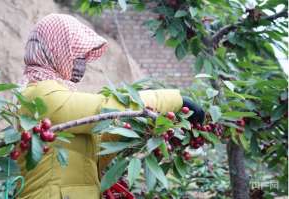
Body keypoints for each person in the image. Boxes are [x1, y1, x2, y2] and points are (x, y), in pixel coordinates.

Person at [17, 14, 204, 199]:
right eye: (77, 54)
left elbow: (98, 141)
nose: (83, 64)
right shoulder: (40, 96)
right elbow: (104, 110)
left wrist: (145, 126)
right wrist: (175, 100)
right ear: (55, 49)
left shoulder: (56, 95)